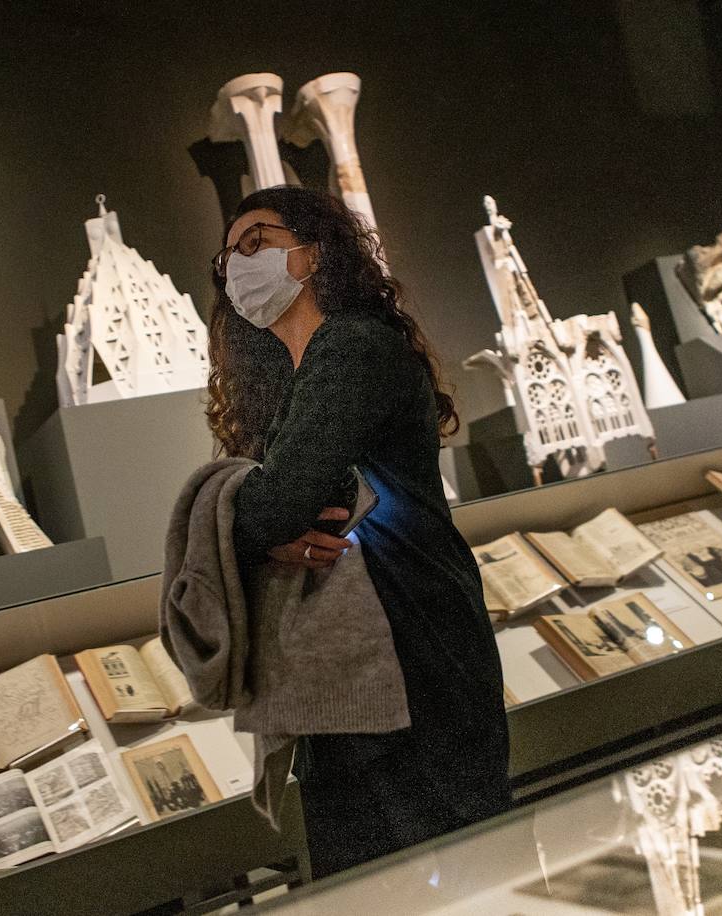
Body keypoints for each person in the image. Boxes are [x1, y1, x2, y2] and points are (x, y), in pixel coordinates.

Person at [207, 186, 511, 878]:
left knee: (445, 875)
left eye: (258, 241)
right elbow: (282, 512)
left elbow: (277, 503)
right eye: (228, 257)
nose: (239, 265)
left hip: (411, 656)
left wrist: (243, 517)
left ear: (314, 254)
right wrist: (268, 525)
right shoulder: (299, 377)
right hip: (363, 673)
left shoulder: (351, 347)